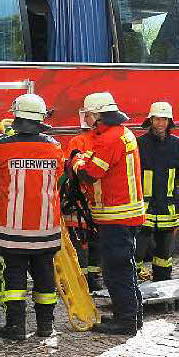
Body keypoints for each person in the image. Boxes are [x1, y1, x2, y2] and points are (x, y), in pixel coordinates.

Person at [0, 94, 63, 341]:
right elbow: (60, 170)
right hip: (46, 228)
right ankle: (45, 326)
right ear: (40, 120)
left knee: (14, 278)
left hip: (13, 229)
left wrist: (6, 135)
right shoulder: (54, 147)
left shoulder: (4, 146)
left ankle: (15, 326)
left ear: (16, 118)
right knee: (45, 275)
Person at [70, 92, 145, 335]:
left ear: (99, 115)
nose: (88, 119)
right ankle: (133, 315)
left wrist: (76, 163)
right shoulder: (123, 134)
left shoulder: (109, 139)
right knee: (126, 267)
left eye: (90, 114)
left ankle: (125, 321)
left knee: (116, 271)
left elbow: (90, 174)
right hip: (125, 215)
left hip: (116, 217)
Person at [136, 102, 179, 281]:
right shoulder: (140, 143)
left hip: (167, 209)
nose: (160, 123)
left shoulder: (176, 144)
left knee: (164, 256)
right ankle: (132, 290)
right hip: (143, 209)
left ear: (169, 122)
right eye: (157, 119)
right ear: (150, 120)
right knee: (136, 252)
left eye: (164, 119)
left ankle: (162, 284)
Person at [61, 112, 102, 292]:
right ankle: (90, 279)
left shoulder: (78, 141)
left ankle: (84, 280)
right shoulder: (103, 140)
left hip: (83, 202)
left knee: (83, 242)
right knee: (90, 242)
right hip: (88, 201)